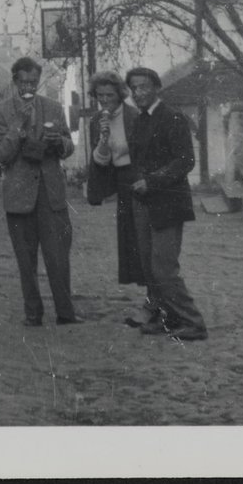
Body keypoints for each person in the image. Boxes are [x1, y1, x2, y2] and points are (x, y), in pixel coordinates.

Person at [0, 56, 81, 326]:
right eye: (24, 81)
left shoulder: (52, 107)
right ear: (15, 81)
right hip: (19, 197)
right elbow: (1, 155)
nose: (29, 86)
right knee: (26, 261)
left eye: (33, 82)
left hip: (51, 194)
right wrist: (17, 127)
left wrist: (59, 143)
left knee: (58, 257)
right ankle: (33, 313)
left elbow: (68, 145)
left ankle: (66, 313)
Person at [121, 66, 209, 342]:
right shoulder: (140, 120)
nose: (139, 93)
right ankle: (167, 318)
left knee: (163, 268)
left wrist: (153, 181)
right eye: (134, 88)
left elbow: (185, 161)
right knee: (149, 267)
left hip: (168, 203)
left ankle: (193, 322)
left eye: (144, 87)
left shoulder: (172, 117)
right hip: (143, 203)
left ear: (156, 87)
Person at [85, 70, 152, 327]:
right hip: (123, 184)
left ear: (120, 94)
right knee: (132, 244)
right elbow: (101, 161)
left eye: (110, 95)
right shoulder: (96, 122)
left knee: (145, 242)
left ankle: (154, 302)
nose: (105, 100)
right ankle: (151, 300)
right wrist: (102, 140)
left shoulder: (135, 117)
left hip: (140, 181)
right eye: (100, 95)